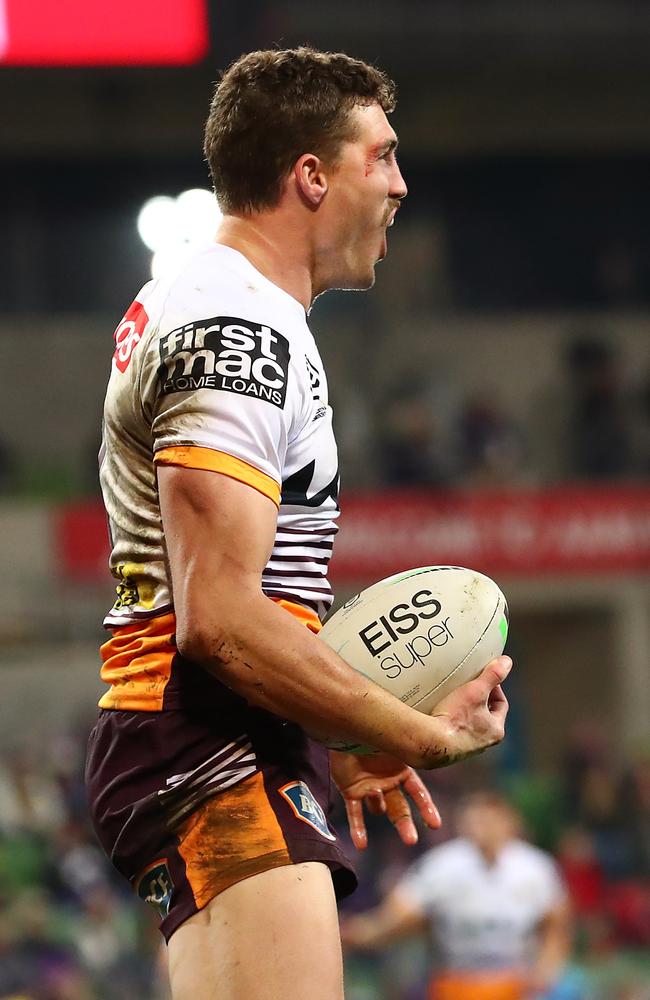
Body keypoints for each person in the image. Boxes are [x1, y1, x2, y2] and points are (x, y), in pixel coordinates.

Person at [85, 46, 512, 1000]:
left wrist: (336, 741)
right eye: (383, 156)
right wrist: (424, 734)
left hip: (225, 741)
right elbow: (222, 622)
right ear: (310, 176)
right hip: (208, 744)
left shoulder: (233, 312)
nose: (402, 184)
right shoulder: (234, 331)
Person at [342, 792, 571, 1000]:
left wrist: (546, 970)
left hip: (515, 983)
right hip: (455, 983)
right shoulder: (441, 866)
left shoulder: (536, 868)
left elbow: (556, 926)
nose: (483, 827)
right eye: (476, 819)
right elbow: (398, 917)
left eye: (490, 819)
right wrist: (361, 932)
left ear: (510, 822)